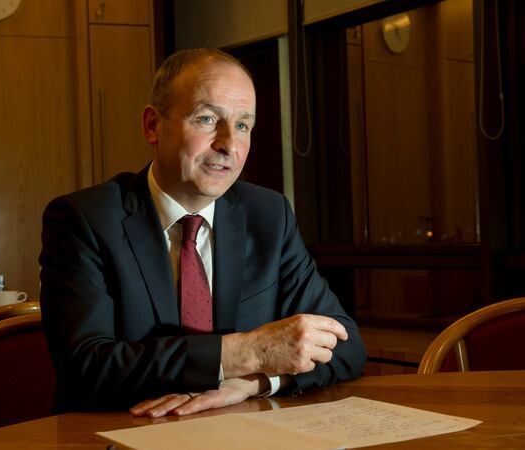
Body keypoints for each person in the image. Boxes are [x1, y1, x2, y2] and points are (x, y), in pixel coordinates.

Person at [39, 48, 366, 417]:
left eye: (243, 125)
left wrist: (254, 382)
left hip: (239, 431)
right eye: (208, 118)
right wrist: (248, 353)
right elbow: (87, 365)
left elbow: (346, 343)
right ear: (152, 125)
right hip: (119, 431)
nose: (229, 144)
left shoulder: (268, 215)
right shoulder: (84, 219)